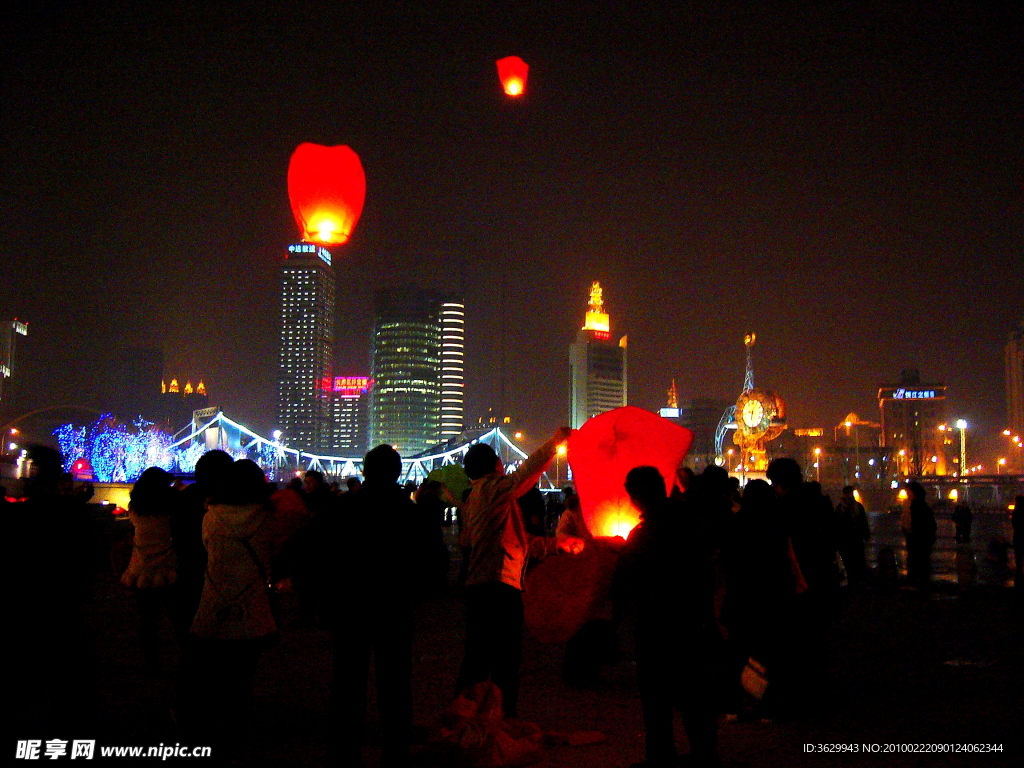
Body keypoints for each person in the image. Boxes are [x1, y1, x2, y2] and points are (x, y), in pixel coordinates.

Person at [455, 426, 571, 718]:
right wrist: (554, 442)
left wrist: (559, 545)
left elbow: (517, 543)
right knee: (504, 660)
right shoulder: (492, 488)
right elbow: (526, 475)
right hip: (497, 587)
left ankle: (466, 720)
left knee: (478, 659)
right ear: (495, 465)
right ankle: (498, 721)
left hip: (484, 586)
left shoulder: (480, 498)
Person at [321, 444, 421, 768]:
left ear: (364, 470)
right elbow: (422, 559)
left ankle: (344, 749)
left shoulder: (344, 506)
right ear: (397, 472)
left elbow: (328, 556)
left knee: (347, 679)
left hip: (351, 603)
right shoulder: (407, 510)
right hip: (394, 603)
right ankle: (396, 749)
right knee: (395, 681)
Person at [614, 466, 720, 768]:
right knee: (695, 694)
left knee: (656, 697)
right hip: (693, 619)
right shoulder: (693, 523)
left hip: (656, 625)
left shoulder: (643, 535)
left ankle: (660, 755)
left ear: (634, 497)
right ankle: (705, 754)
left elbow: (626, 584)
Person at [182, 459, 278, 754]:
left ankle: (209, 733)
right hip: (252, 605)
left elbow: (206, 550)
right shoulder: (267, 518)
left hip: (215, 602)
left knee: (213, 671)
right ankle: (236, 734)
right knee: (243, 675)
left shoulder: (210, 517)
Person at [121, 466, 178, 672]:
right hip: (168, 565)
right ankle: (185, 655)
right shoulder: (170, 507)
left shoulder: (135, 507)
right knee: (177, 615)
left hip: (142, 567)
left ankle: (150, 661)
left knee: (147, 618)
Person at [903, 481, 936, 590]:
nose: (907, 494)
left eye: (908, 492)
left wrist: (909, 532)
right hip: (921, 539)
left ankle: (915, 583)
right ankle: (921, 584)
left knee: (916, 561)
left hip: (917, 539)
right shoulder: (922, 505)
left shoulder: (916, 505)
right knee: (922, 563)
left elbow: (915, 523)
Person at [834, 486, 870, 585]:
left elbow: (837, 522)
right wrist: (866, 534)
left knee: (851, 560)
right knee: (854, 560)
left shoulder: (841, 507)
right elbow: (863, 521)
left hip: (849, 538)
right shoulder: (856, 507)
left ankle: (854, 580)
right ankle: (857, 580)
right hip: (852, 538)